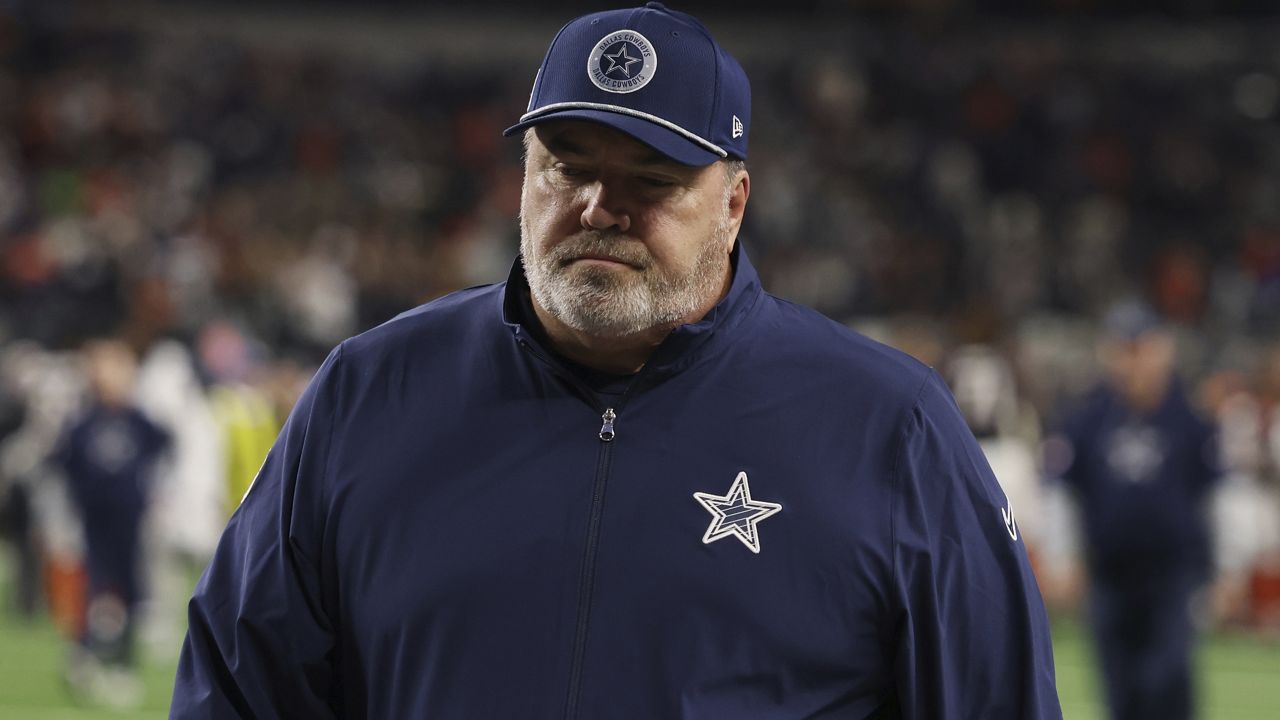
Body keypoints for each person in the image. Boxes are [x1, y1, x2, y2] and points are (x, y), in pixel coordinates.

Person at [171, 4, 1061, 717]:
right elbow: (238, 690)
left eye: (653, 179)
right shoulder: (371, 391)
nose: (599, 207)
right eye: (566, 167)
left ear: (734, 204)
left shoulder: (887, 426)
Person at [1046, 301, 1219, 720]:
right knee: (1120, 691)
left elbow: (1215, 496)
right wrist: (1064, 558)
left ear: (1163, 350)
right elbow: (1062, 492)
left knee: (1168, 682)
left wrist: (1225, 568)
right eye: (1123, 349)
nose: (1132, 362)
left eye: (1141, 348)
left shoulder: (1190, 417)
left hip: (1173, 575)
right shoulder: (1086, 418)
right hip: (1110, 575)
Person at [57, 339, 169, 707]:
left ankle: (124, 663)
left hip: (130, 521)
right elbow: (65, 462)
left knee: (130, 590)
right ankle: (84, 653)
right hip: (93, 522)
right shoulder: (84, 421)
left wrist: (151, 492)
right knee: (93, 586)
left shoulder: (138, 420)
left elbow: (164, 446)